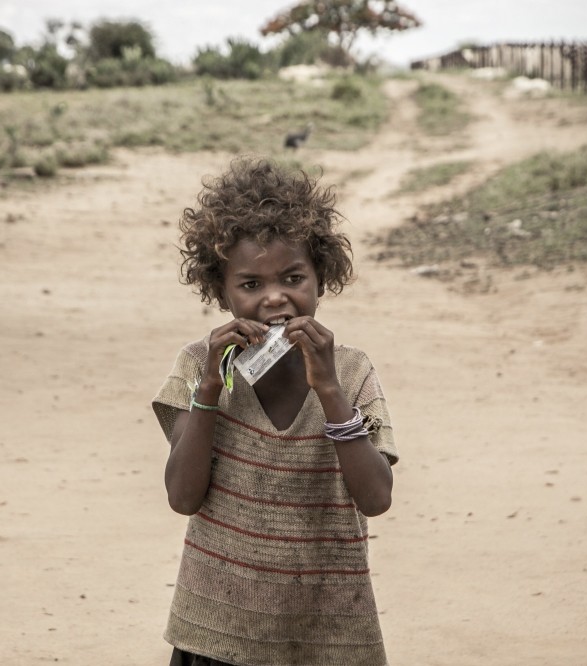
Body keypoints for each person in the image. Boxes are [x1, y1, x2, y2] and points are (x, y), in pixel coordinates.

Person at [152, 156, 399, 666]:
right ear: (220, 290)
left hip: (327, 627)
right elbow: (182, 496)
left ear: (321, 280)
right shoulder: (200, 365)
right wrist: (208, 389)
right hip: (217, 629)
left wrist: (329, 390)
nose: (274, 299)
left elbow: (375, 498)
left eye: (292, 278)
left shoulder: (350, 373)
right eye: (250, 285)